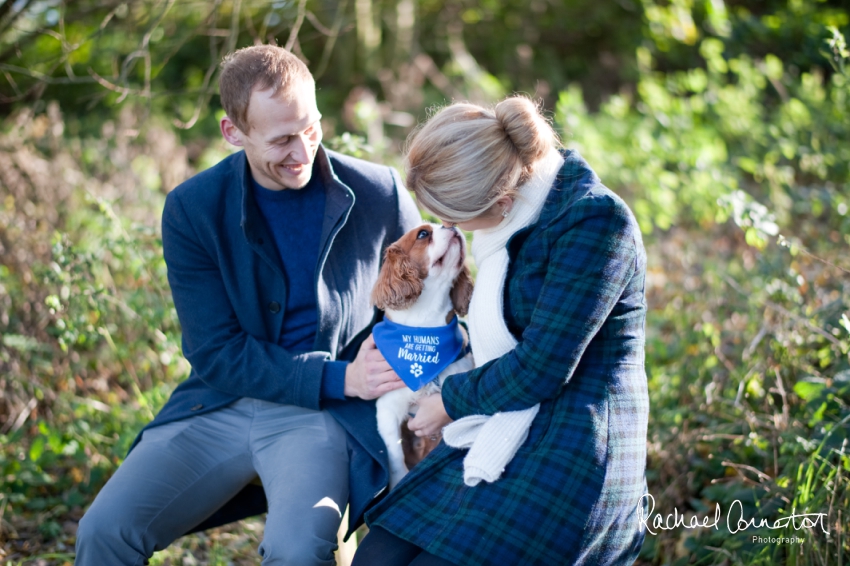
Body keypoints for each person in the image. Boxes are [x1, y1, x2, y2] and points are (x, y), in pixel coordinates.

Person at [74, 44, 422, 565]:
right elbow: (215, 352)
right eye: (282, 140)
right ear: (232, 133)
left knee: (298, 551)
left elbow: (428, 307)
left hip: (323, 416)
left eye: (310, 130)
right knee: (104, 531)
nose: (302, 153)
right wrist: (342, 377)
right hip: (222, 401)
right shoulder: (193, 209)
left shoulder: (380, 193)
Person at [353, 96, 649, 566]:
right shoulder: (512, 215)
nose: (450, 229)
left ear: (503, 201)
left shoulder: (594, 223)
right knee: (375, 558)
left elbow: (541, 369)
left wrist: (448, 400)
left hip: (573, 448)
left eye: (454, 219)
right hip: (500, 420)